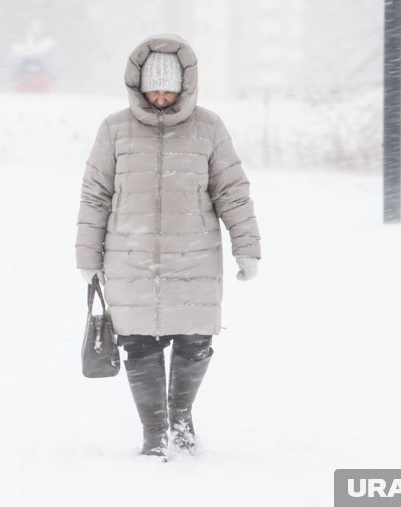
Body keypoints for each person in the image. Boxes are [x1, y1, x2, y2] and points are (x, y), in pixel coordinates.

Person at [74, 34, 261, 459]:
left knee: (195, 341)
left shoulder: (209, 128)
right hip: (129, 255)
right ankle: (154, 432)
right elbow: (95, 195)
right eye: (153, 88)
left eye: (168, 88)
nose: (160, 96)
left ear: (185, 85)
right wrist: (88, 255)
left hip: (193, 255)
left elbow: (232, 191)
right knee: (139, 343)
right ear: (137, 85)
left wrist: (246, 247)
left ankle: (181, 417)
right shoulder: (114, 129)